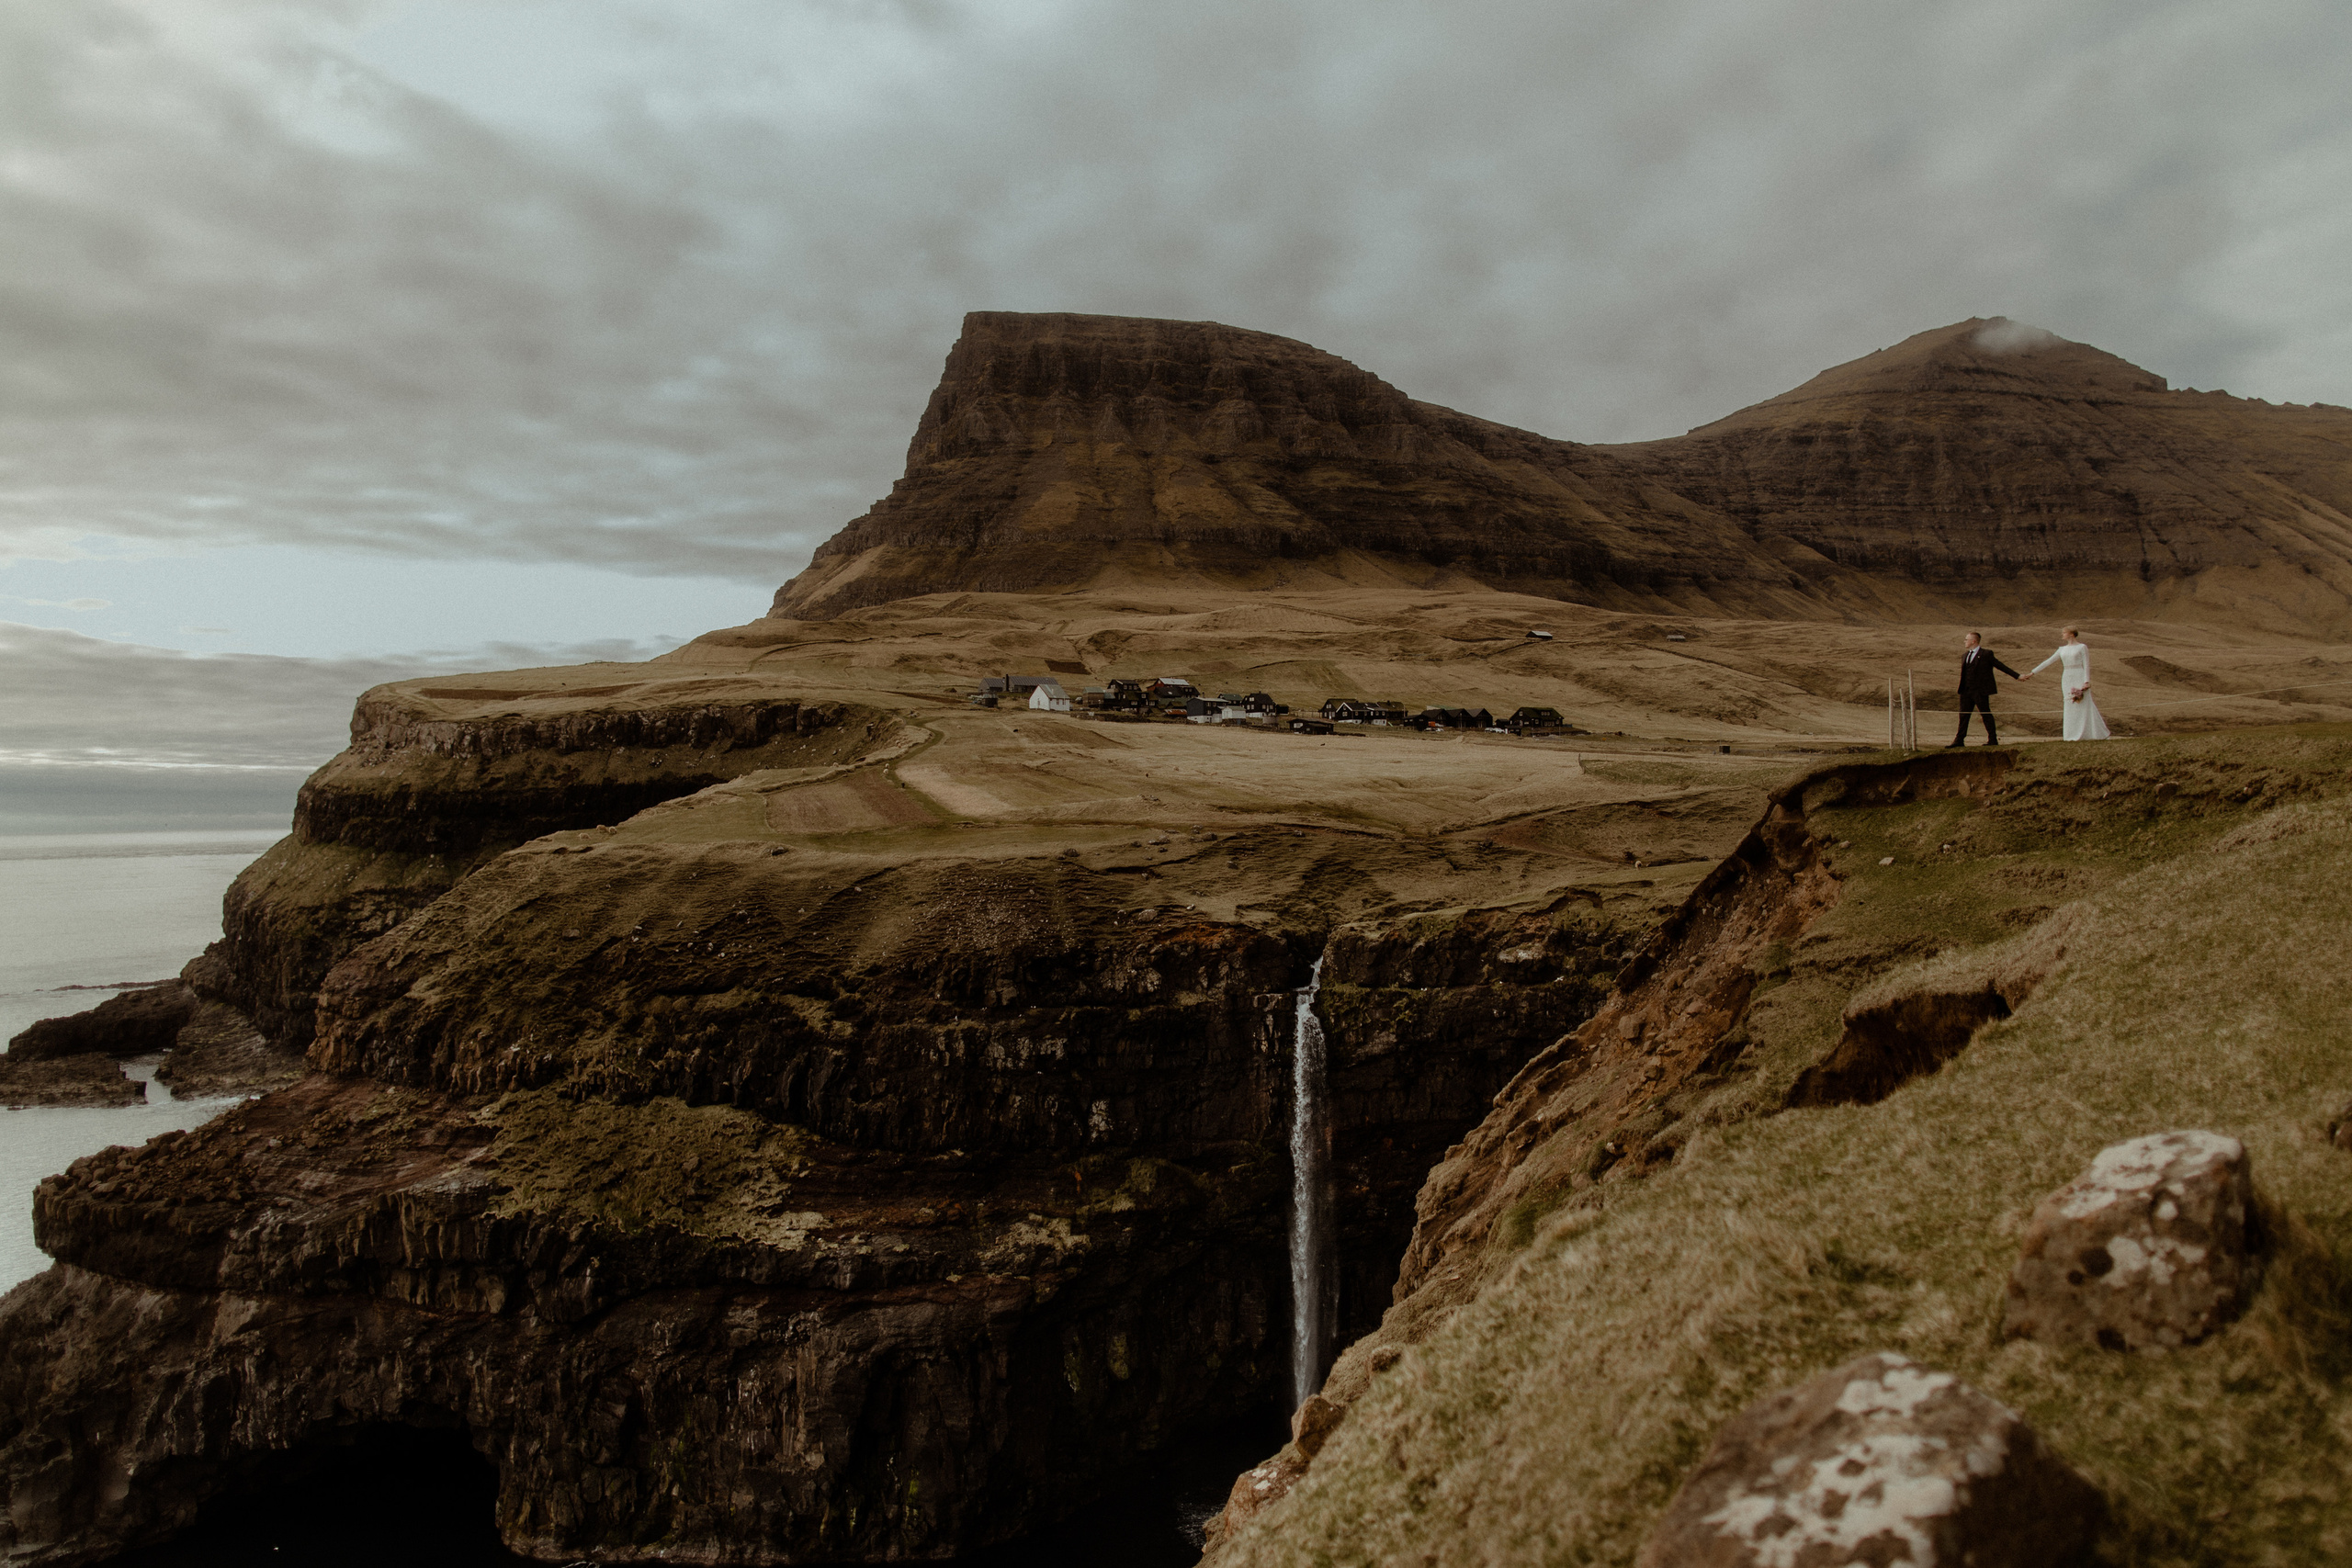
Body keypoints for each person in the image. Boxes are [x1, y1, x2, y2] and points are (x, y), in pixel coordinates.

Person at [2020, 626, 2110, 740]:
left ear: (2072, 634)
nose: (2062, 634)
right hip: (2067, 676)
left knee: (2083, 703)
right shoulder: (2061, 649)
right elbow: (2048, 661)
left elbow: (2086, 665)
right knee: (2069, 704)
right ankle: (2071, 734)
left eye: (2064, 633)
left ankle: (2089, 733)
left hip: (2079, 675)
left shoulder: (2082, 647)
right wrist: (2032, 673)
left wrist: (2086, 681)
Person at [1949, 631, 2022, 747]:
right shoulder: (1965, 656)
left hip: (1980, 691)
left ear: (1973, 641)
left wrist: (2017, 676)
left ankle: (1993, 740)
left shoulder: (1986, 654)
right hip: (1966, 691)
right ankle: (1959, 740)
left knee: (1986, 714)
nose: (1964, 641)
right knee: (1963, 715)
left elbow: (2000, 666)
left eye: (1966, 639)